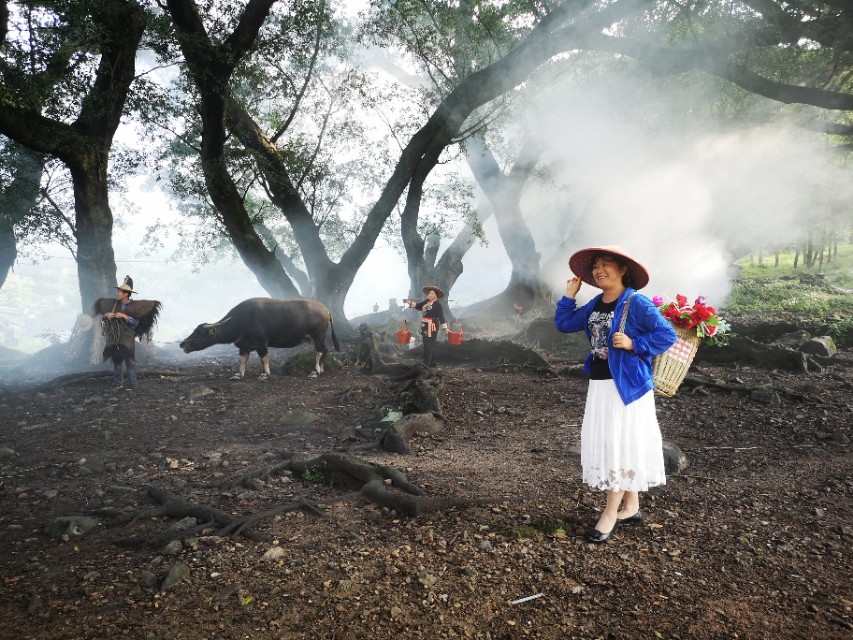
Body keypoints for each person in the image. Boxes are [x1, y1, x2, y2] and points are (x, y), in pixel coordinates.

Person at [554, 245, 676, 543]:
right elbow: (564, 323)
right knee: (618, 442)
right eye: (596, 265)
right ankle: (631, 507)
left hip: (627, 388)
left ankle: (610, 513)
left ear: (623, 270)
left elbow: (666, 335)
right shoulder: (596, 303)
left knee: (618, 444)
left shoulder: (636, 302)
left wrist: (634, 343)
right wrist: (569, 294)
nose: (599, 269)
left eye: (607, 264)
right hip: (601, 383)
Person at [100, 276, 141, 390]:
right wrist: (105, 315)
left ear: (126, 294)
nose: (117, 294)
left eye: (119, 292)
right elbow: (100, 317)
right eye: (117, 291)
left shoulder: (134, 307)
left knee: (130, 361)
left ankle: (133, 385)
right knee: (116, 360)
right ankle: (117, 383)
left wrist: (124, 316)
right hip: (114, 337)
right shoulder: (113, 305)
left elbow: (137, 323)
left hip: (127, 338)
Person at [402, 285, 449, 367]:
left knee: (429, 343)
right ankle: (432, 362)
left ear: (435, 296)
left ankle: (426, 363)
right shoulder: (426, 302)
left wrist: (445, 328)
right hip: (425, 325)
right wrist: (408, 302)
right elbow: (418, 306)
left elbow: (441, 317)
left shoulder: (438, 305)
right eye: (429, 293)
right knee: (426, 343)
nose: (430, 295)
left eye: (432, 293)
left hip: (432, 325)